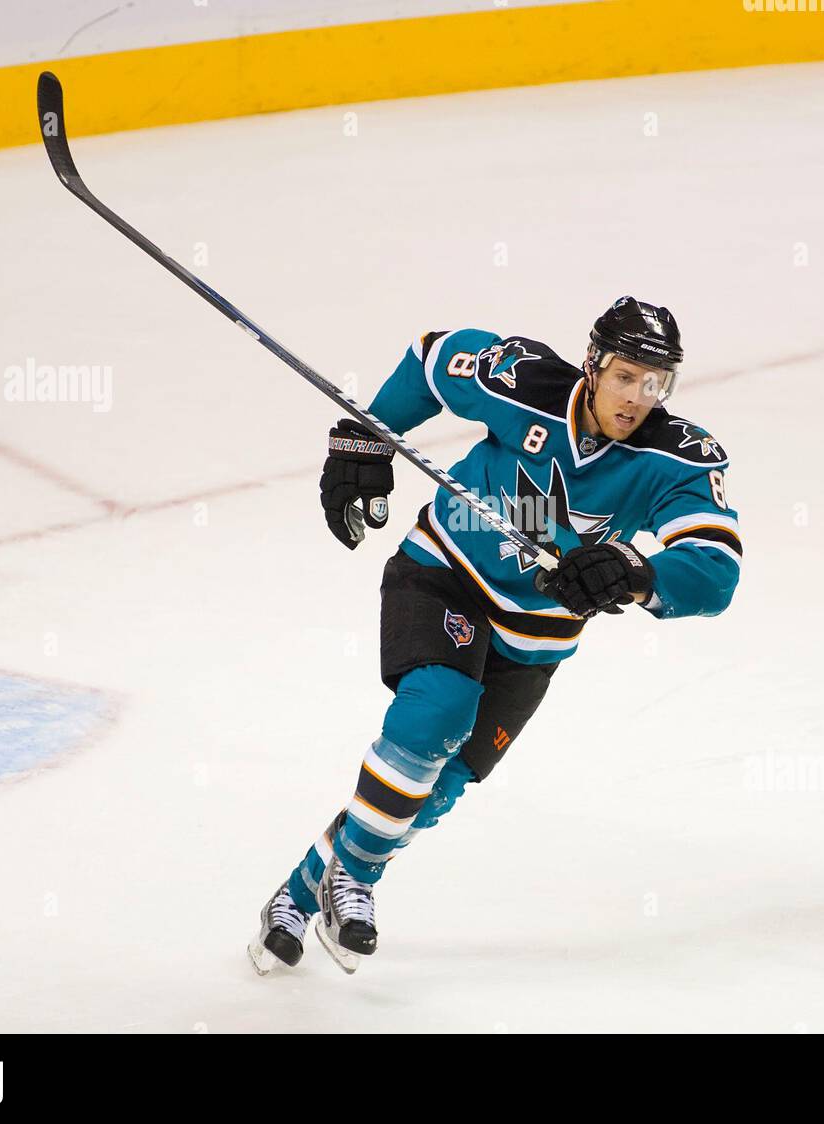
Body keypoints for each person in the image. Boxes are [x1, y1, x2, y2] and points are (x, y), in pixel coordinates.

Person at [248, 296, 742, 975]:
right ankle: (356, 881)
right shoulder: (523, 380)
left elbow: (715, 571)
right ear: (594, 365)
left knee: (438, 789)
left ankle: (302, 892)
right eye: (626, 375)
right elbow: (431, 358)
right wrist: (368, 438)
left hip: (537, 640)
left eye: (656, 383)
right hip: (444, 576)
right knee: (436, 713)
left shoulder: (676, 456)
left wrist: (633, 570)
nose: (638, 397)